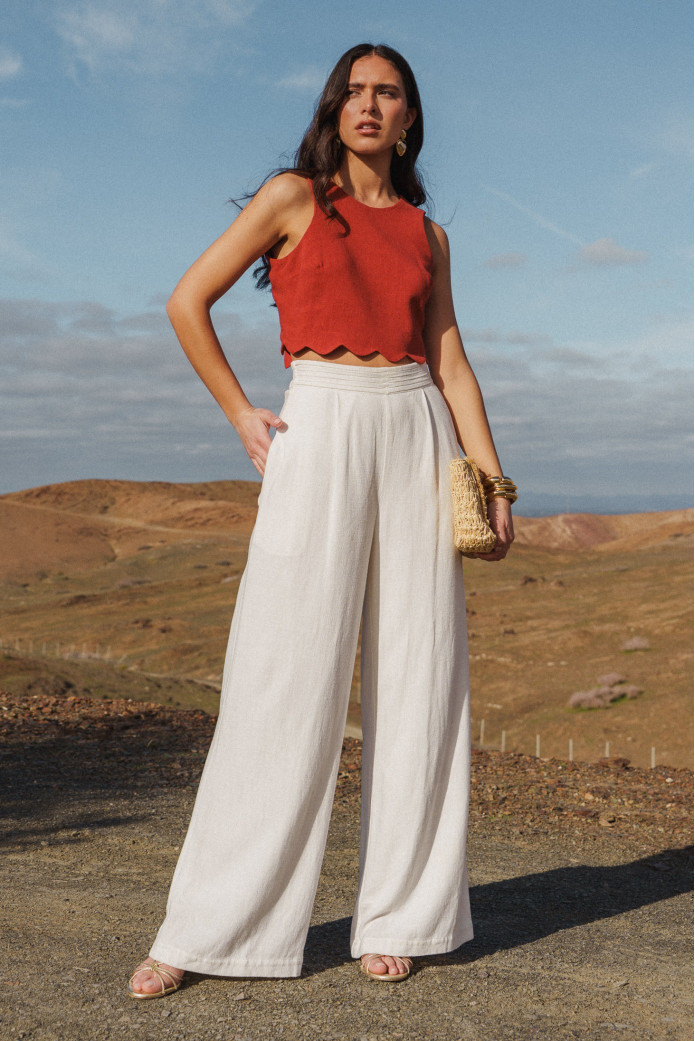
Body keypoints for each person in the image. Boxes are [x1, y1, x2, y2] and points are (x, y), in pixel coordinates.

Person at [128, 41, 514, 998]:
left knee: (419, 676)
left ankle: (402, 914)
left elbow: (450, 361)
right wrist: (239, 412)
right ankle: (209, 927)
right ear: (334, 109)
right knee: (279, 672)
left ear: (410, 117)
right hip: (320, 420)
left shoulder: (427, 234)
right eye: (354, 92)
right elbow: (186, 300)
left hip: (415, 426)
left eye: (388, 93)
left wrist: (494, 482)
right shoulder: (293, 198)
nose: (369, 105)